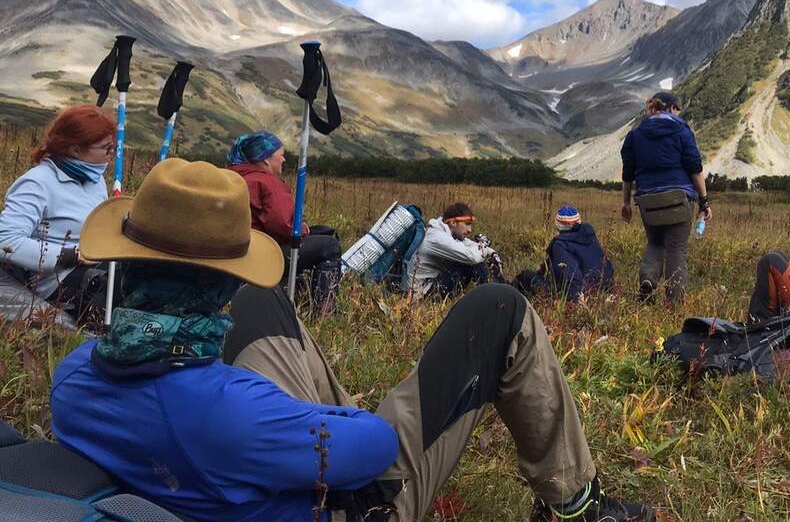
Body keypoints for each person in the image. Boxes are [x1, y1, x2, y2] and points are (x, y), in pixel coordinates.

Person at [49, 158, 653, 522]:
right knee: (499, 309)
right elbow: (372, 446)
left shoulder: (72, 380)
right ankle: (577, 501)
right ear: (215, 290)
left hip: (221, 463)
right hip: (346, 500)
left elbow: (225, 413)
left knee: (265, 301)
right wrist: (321, 424)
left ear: (125, 267)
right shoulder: (230, 411)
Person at [0, 105, 114, 324]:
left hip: (99, 263)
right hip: (60, 282)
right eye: (106, 148)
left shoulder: (94, 179)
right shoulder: (37, 184)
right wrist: (71, 256)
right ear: (75, 150)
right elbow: (6, 239)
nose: (111, 155)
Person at [226, 131, 342, 301]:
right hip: (261, 254)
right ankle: (325, 309)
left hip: (236, 252)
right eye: (281, 155)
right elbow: (283, 227)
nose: (284, 159)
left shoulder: (233, 177)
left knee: (317, 233)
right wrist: (302, 229)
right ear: (266, 159)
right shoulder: (267, 182)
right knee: (329, 245)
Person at [620, 91, 711, 304]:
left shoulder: (635, 134)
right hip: (679, 198)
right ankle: (673, 302)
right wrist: (704, 201)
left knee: (654, 243)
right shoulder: (681, 129)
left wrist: (626, 203)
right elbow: (695, 169)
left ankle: (648, 280)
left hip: (647, 199)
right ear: (671, 108)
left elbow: (628, 173)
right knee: (676, 249)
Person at [514, 206, 614, 303]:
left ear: (558, 225)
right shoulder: (590, 237)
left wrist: (575, 301)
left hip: (578, 296)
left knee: (525, 276)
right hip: (604, 290)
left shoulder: (560, 245)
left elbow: (570, 276)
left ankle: (510, 301)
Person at [406, 202, 500, 300]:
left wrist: (492, 252)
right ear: (453, 223)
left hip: (432, 284)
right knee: (471, 263)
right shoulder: (437, 238)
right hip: (423, 295)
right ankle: (496, 296)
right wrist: (484, 246)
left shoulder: (447, 233)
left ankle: (498, 290)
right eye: (467, 224)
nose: (470, 230)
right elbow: (471, 256)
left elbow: (469, 244)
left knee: (473, 260)